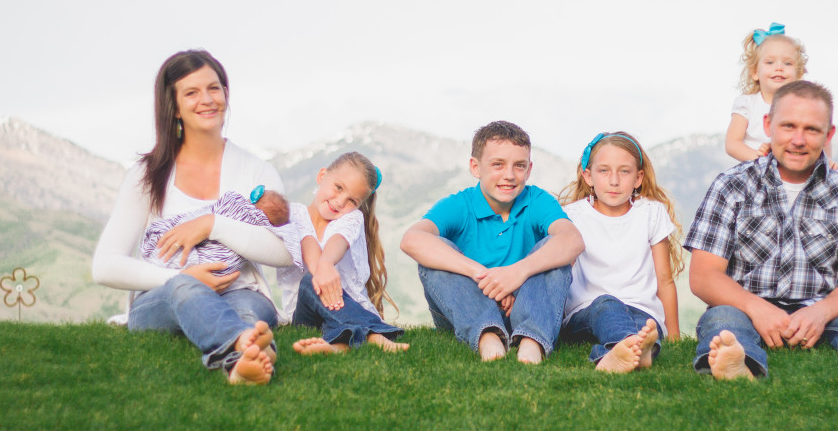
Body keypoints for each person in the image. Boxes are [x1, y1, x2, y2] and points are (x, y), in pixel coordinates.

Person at [686, 80, 838, 382]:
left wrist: (821, 312)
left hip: (825, 315)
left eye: (812, 130)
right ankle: (740, 366)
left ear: (828, 134)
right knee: (723, 319)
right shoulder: (731, 185)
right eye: (789, 126)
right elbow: (703, 276)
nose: (798, 139)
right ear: (768, 125)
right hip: (746, 308)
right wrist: (758, 308)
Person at [92, 49, 292, 386]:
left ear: (226, 93)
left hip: (239, 290)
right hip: (163, 296)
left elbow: (284, 252)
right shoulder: (148, 174)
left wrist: (213, 224)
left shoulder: (255, 170)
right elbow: (105, 265)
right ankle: (249, 346)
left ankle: (242, 360)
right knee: (184, 288)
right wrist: (182, 278)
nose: (208, 99)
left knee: (247, 312)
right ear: (174, 108)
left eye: (214, 88)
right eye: (192, 92)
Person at [400, 120, 585, 364]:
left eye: (519, 166)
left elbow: (572, 240)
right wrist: (486, 277)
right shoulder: (459, 204)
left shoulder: (538, 200)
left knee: (554, 249)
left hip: (524, 307)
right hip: (466, 309)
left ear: (529, 170)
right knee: (435, 257)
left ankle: (532, 342)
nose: (509, 175)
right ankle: (487, 337)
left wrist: (516, 274)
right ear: (476, 167)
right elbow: (411, 239)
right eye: (498, 165)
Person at [558, 132, 684, 373]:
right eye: (604, 171)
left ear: (638, 178)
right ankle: (635, 346)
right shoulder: (571, 216)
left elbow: (665, 280)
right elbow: (561, 276)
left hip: (641, 308)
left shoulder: (651, 213)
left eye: (624, 172)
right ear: (588, 176)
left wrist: (675, 337)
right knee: (607, 305)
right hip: (587, 311)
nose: (614, 180)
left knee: (645, 324)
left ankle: (618, 354)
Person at [278, 151, 409, 355]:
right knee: (310, 281)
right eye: (338, 188)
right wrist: (322, 268)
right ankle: (373, 334)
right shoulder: (294, 214)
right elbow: (308, 245)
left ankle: (337, 347)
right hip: (305, 316)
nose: (340, 202)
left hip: (344, 309)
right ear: (322, 176)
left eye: (352, 201)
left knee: (317, 277)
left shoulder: (352, 219)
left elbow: (338, 241)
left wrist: (327, 263)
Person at [725, 23, 835, 168]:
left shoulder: (804, 106)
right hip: (756, 173)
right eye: (770, 62)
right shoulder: (747, 104)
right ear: (755, 72)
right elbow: (732, 143)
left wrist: (826, 161)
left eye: (788, 63)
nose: (779, 68)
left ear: (799, 73)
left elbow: (819, 133)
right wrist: (759, 159)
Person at [141, 186, 298, 277]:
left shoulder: (241, 207)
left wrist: (212, 224)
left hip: (238, 289)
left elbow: (289, 254)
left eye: (255, 196)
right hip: (167, 281)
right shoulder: (153, 169)